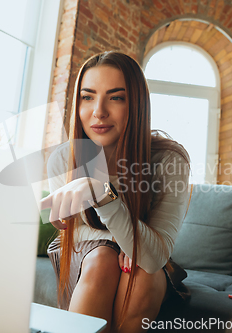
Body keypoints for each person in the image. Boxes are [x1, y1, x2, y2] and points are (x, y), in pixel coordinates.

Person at [40, 51, 191, 333]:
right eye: (87, 97)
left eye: (116, 97)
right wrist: (122, 240)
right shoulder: (63, 159)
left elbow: (155, 255)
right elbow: (73, 233)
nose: (99, 111)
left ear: (137, 104)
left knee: (142, 275)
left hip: (147, 264)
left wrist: (102, 194)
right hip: (84, 257)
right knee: (102, 259)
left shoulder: (168, 160)